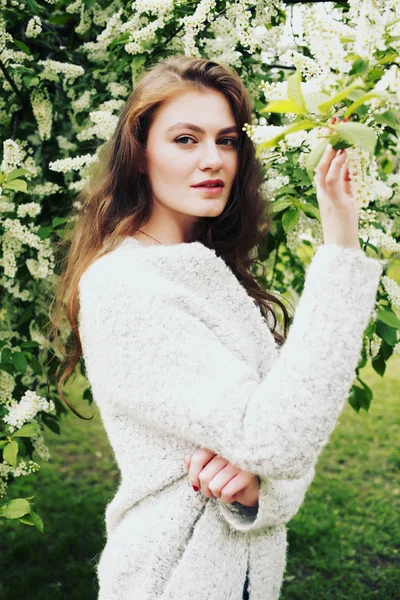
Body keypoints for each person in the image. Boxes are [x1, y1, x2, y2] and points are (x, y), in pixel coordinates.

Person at [51, 55, 383, 599]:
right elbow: (280, 440)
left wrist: (259, 494)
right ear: (139, 156)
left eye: (227, 140)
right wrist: (341, 250)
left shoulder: (207, 270)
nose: (213, 160)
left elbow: (290, 442)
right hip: (172, 578)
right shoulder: (125, 284)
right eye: (185, 139)